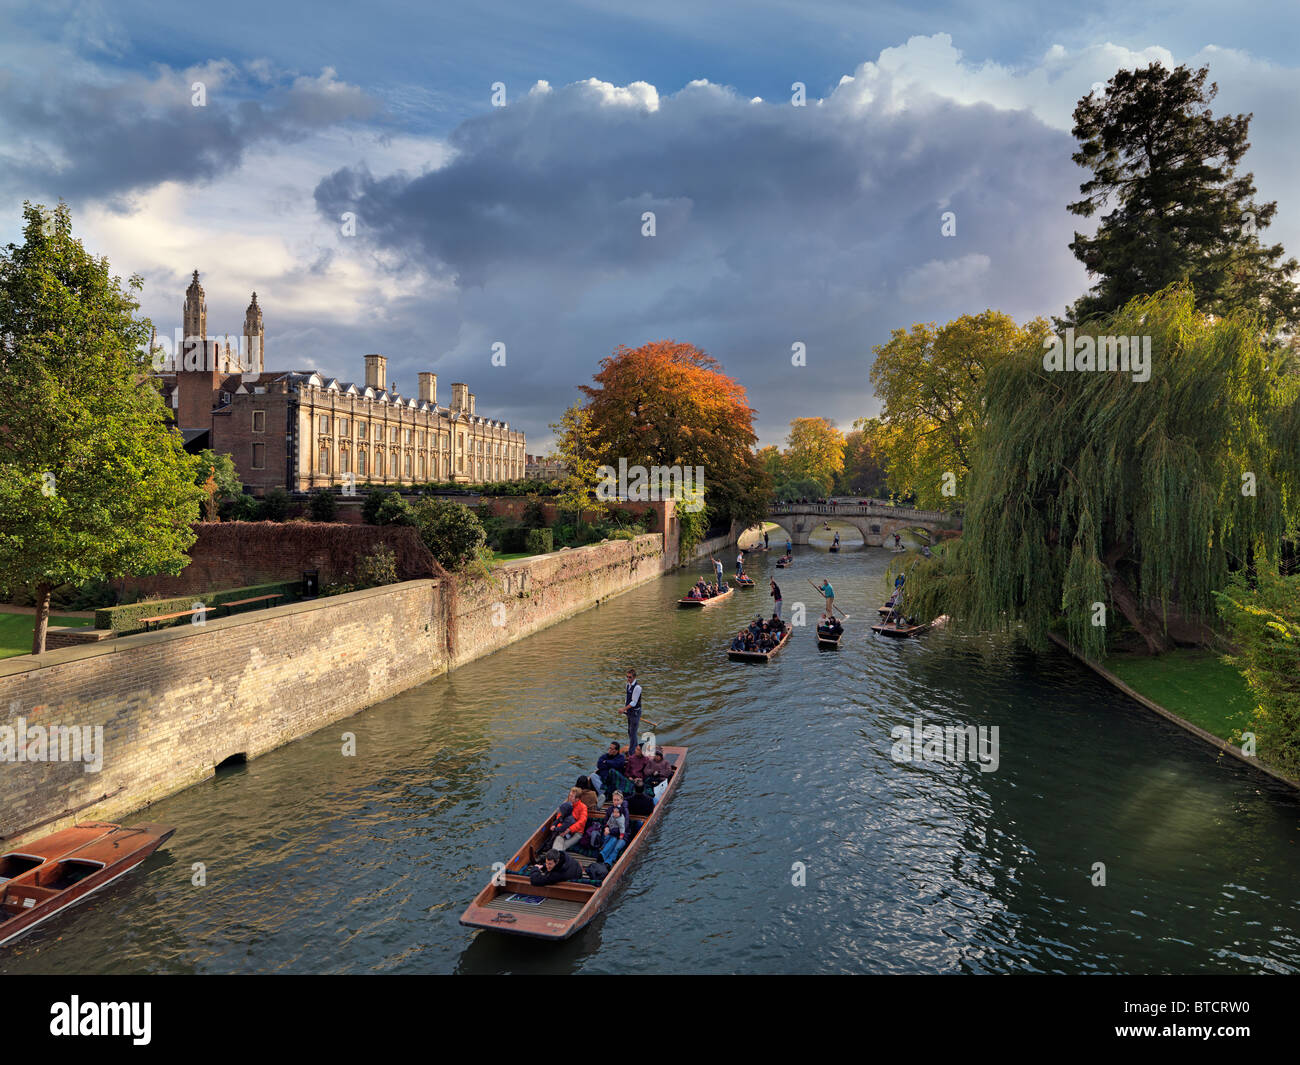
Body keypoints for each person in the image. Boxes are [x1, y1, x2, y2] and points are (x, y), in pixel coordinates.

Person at [620, 668, 642, 755]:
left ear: (634, 677)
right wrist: (626, 710)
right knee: (630, 731)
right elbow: (627, 698)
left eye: (630, 677)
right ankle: (636, 748)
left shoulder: (637, 688)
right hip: (629, 712)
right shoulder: (628, 685)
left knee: (633, 732)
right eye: (627, 677)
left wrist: (623, 709)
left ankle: (632, 753)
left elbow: (634, 702)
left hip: (635, 713)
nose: (628, 679)